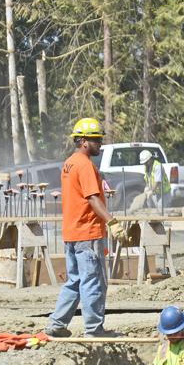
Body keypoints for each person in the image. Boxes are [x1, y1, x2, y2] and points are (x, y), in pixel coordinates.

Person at [45, 118, 128, 338]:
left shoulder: (69, 163)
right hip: (88, 233)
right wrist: (112, 222)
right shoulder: (85, 165)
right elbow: (92, 198)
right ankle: (94, 329)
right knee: (93, 281)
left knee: (75, 281)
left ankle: (56, 324)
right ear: (83, 141)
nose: (100, 143)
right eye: (96, 140)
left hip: (72, 232)